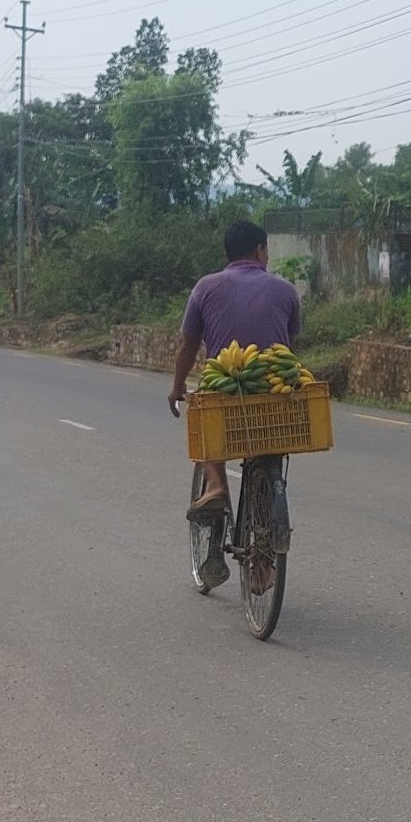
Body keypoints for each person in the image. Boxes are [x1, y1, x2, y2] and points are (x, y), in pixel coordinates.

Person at [168, 220, 301, 588]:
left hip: (225, 392)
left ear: (228, 254)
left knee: (205, 416)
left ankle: (215, 485)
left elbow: (188, 345)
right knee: (268, 455)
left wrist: (177, 387)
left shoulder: (206, 287)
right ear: (260, 250)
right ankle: (262, 561)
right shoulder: (286, 290)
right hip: (274, 395)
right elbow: (290, 350)